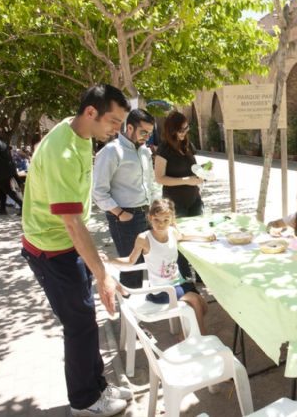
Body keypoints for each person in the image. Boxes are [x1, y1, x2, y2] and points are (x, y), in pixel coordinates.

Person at [21, 84, 133, 416]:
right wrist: (103, 275)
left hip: (66, 245)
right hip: (51, 250)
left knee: (86, 319)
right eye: (113, 121)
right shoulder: (63, 151)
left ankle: (98, 386)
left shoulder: (80, 135)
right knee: (80, 324)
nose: (117, 130)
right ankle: (84, 402)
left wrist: (97, 270)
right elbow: (72, 223)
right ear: (90, 113)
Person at [103, 198, 214, 334]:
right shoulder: (144, 238)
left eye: (166, 220)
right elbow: (130, 261)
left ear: (172, 219)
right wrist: (110, 260)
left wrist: (205, 237)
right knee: (195, 301)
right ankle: (201, 335)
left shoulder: (172, 232)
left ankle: (185, 335)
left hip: (178, 283)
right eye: (157, 220)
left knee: (203, 306)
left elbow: (183, 236)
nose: (161, 224)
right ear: (150, 218)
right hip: (161, 289)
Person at [93, 108, 158, 288]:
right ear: (129, 127)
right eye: (143, 132)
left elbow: (150, 183)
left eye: (150, 133)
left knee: (154, 261)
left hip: (148, 214)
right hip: (126, 218)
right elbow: (98, 191)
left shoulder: (145, 151)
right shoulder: (111, 151)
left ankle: (154, 302)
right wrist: (120, 213)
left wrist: (156, 208)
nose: (147, 136)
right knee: (132, 268)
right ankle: (130, 313)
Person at [154, 111, 205, 282]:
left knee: (198, 238)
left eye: (186, 128)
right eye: (180, 129)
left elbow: (194, 168)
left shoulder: (188, 145)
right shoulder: (164, 149)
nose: (184, 132)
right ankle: (185, 276)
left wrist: (202, 174)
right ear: (171, 130)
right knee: (180, 240)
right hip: (175, 204)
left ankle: (201, 275)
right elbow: (159, 177)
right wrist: (186, 181)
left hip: (194, 200)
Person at [0, 128, 23, 215]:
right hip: (9, 169)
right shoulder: (3, 142)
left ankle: (22, 206)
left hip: (1, 171)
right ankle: (2, 209)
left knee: (7, 189)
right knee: (1, 189)